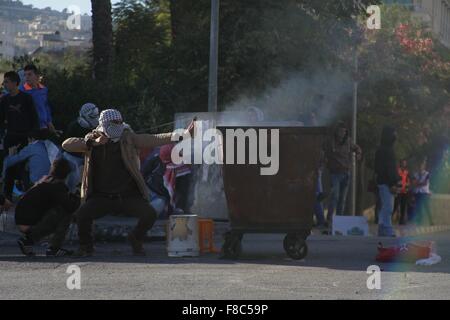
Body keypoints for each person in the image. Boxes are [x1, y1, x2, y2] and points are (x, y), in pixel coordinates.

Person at [62, 109, 195, 257]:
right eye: (113, 123)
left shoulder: (128, 138)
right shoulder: (93, 139)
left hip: (127, 196)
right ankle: (86, 246)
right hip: (102, 197)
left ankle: (136, 238)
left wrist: (182, 134)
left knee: (149, 214)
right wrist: (92, 142)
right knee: (82, 215)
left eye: (119, 122)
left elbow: (153, 138)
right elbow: (66, 144)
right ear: (104, 124)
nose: (118, 126)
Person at [16, 158, 80, 257]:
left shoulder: (47, 180)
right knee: (65, 214)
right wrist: (77, 196)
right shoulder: (57, 186)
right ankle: (54, 248)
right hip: (28, 223)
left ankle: (28, 241)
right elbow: (70, 207)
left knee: (59, 211)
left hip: (21, 219)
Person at [0, 71, 39, 175]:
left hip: (25, 137)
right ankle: (8, 191)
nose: (4, 84)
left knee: (23, 168)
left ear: (15, 82)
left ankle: (24, 189)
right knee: (9, 169)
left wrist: (33, 134)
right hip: (10, 137)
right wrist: (3, 134)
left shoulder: (26, 98)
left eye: (6, 82)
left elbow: (34, 118)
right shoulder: (4, 100)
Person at [3, 129, 57, 201]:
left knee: (20, 166)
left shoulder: (32, 147)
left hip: (36, 182)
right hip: (49, 180)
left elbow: (10, 162)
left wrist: (11, 153)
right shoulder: (48, 146)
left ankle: (22, 189)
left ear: (32, 139)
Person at [324, 121, 362, 223]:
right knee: (334, 196)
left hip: (346, 172)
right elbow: (323, 151)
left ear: (346, 132)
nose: (342, 133)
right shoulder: (330, 141)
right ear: (336, 132)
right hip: (335, 173)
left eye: (344, 131)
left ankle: (339, 220)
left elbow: (357, 148)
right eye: (340, 131)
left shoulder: (348, 141)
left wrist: (358, 154)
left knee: (342, 198)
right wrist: (325, 160)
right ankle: (329, 219)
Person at [63, 103, 100, 193]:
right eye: (92, 116)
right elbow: (67, 146)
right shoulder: (73, 127)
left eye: (97, 116)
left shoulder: (98, 128)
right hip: (74, 157)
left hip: (89, 156)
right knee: (73, 177)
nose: (96, 119)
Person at [374, 126, 401, 237]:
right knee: (388, 206)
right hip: (386, 182)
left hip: (384, 181)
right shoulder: (386, 150)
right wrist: (392, 183)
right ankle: (386, 228)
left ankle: (382, 228)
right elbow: (388, 168)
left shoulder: (383, 149)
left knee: (386, 205)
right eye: (394, 133)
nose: (396, 135)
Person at [20, 65, 56, 133]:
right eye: (25, 75)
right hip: (29, 128)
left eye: (29, 74)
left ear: (37, 76)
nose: (27, 77)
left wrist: (49, 122)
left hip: (43, 127)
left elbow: (46, 106)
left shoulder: (44, 89)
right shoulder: (21, 91)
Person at [411, 160, 434, 226]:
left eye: (422, 165)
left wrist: (417, 183)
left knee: (426, 207)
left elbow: (425, 183)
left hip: (424, 192)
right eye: (419, 166)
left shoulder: (427, 174)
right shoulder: (415, 174)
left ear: (424, 166)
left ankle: (431, 221)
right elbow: (414, 183)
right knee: (418, 207)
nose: (420, 167)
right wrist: (419, 183)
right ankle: (419, 221)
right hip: (417, 192)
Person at [394, 159, 410, 225]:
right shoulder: (397, 170)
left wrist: (407, 187)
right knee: (396, 204)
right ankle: (390, 218)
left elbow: (409, 180)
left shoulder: (407, 171)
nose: (404, 164)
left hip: (405, 191)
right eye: (403, 163)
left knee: (403, 206)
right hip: (398, 190)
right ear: (400, 163)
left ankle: (402, 221)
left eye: (405, 163)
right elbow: (395, 178)